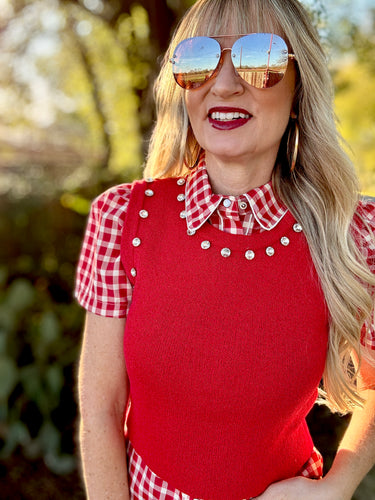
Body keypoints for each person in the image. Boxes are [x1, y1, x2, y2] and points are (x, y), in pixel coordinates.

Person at [75, 0, 375, 498]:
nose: (226, 83)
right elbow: (101, 409)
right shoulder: (123, 219)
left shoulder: (353, 233)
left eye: (261, 59)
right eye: (198, 60)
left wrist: (335, 489)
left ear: (300, 89)